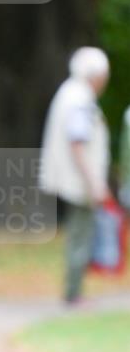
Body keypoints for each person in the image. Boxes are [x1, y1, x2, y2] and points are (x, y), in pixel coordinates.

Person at [39, 47, 111, 304]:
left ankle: (74, 291)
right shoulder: (80, 99)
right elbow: (77, 143)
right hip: (79, 181)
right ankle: (73, 294)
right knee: (80, 234)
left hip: (73, 178)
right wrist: (95, 183)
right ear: (96, 75)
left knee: (78, 233)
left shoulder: (69, 92)